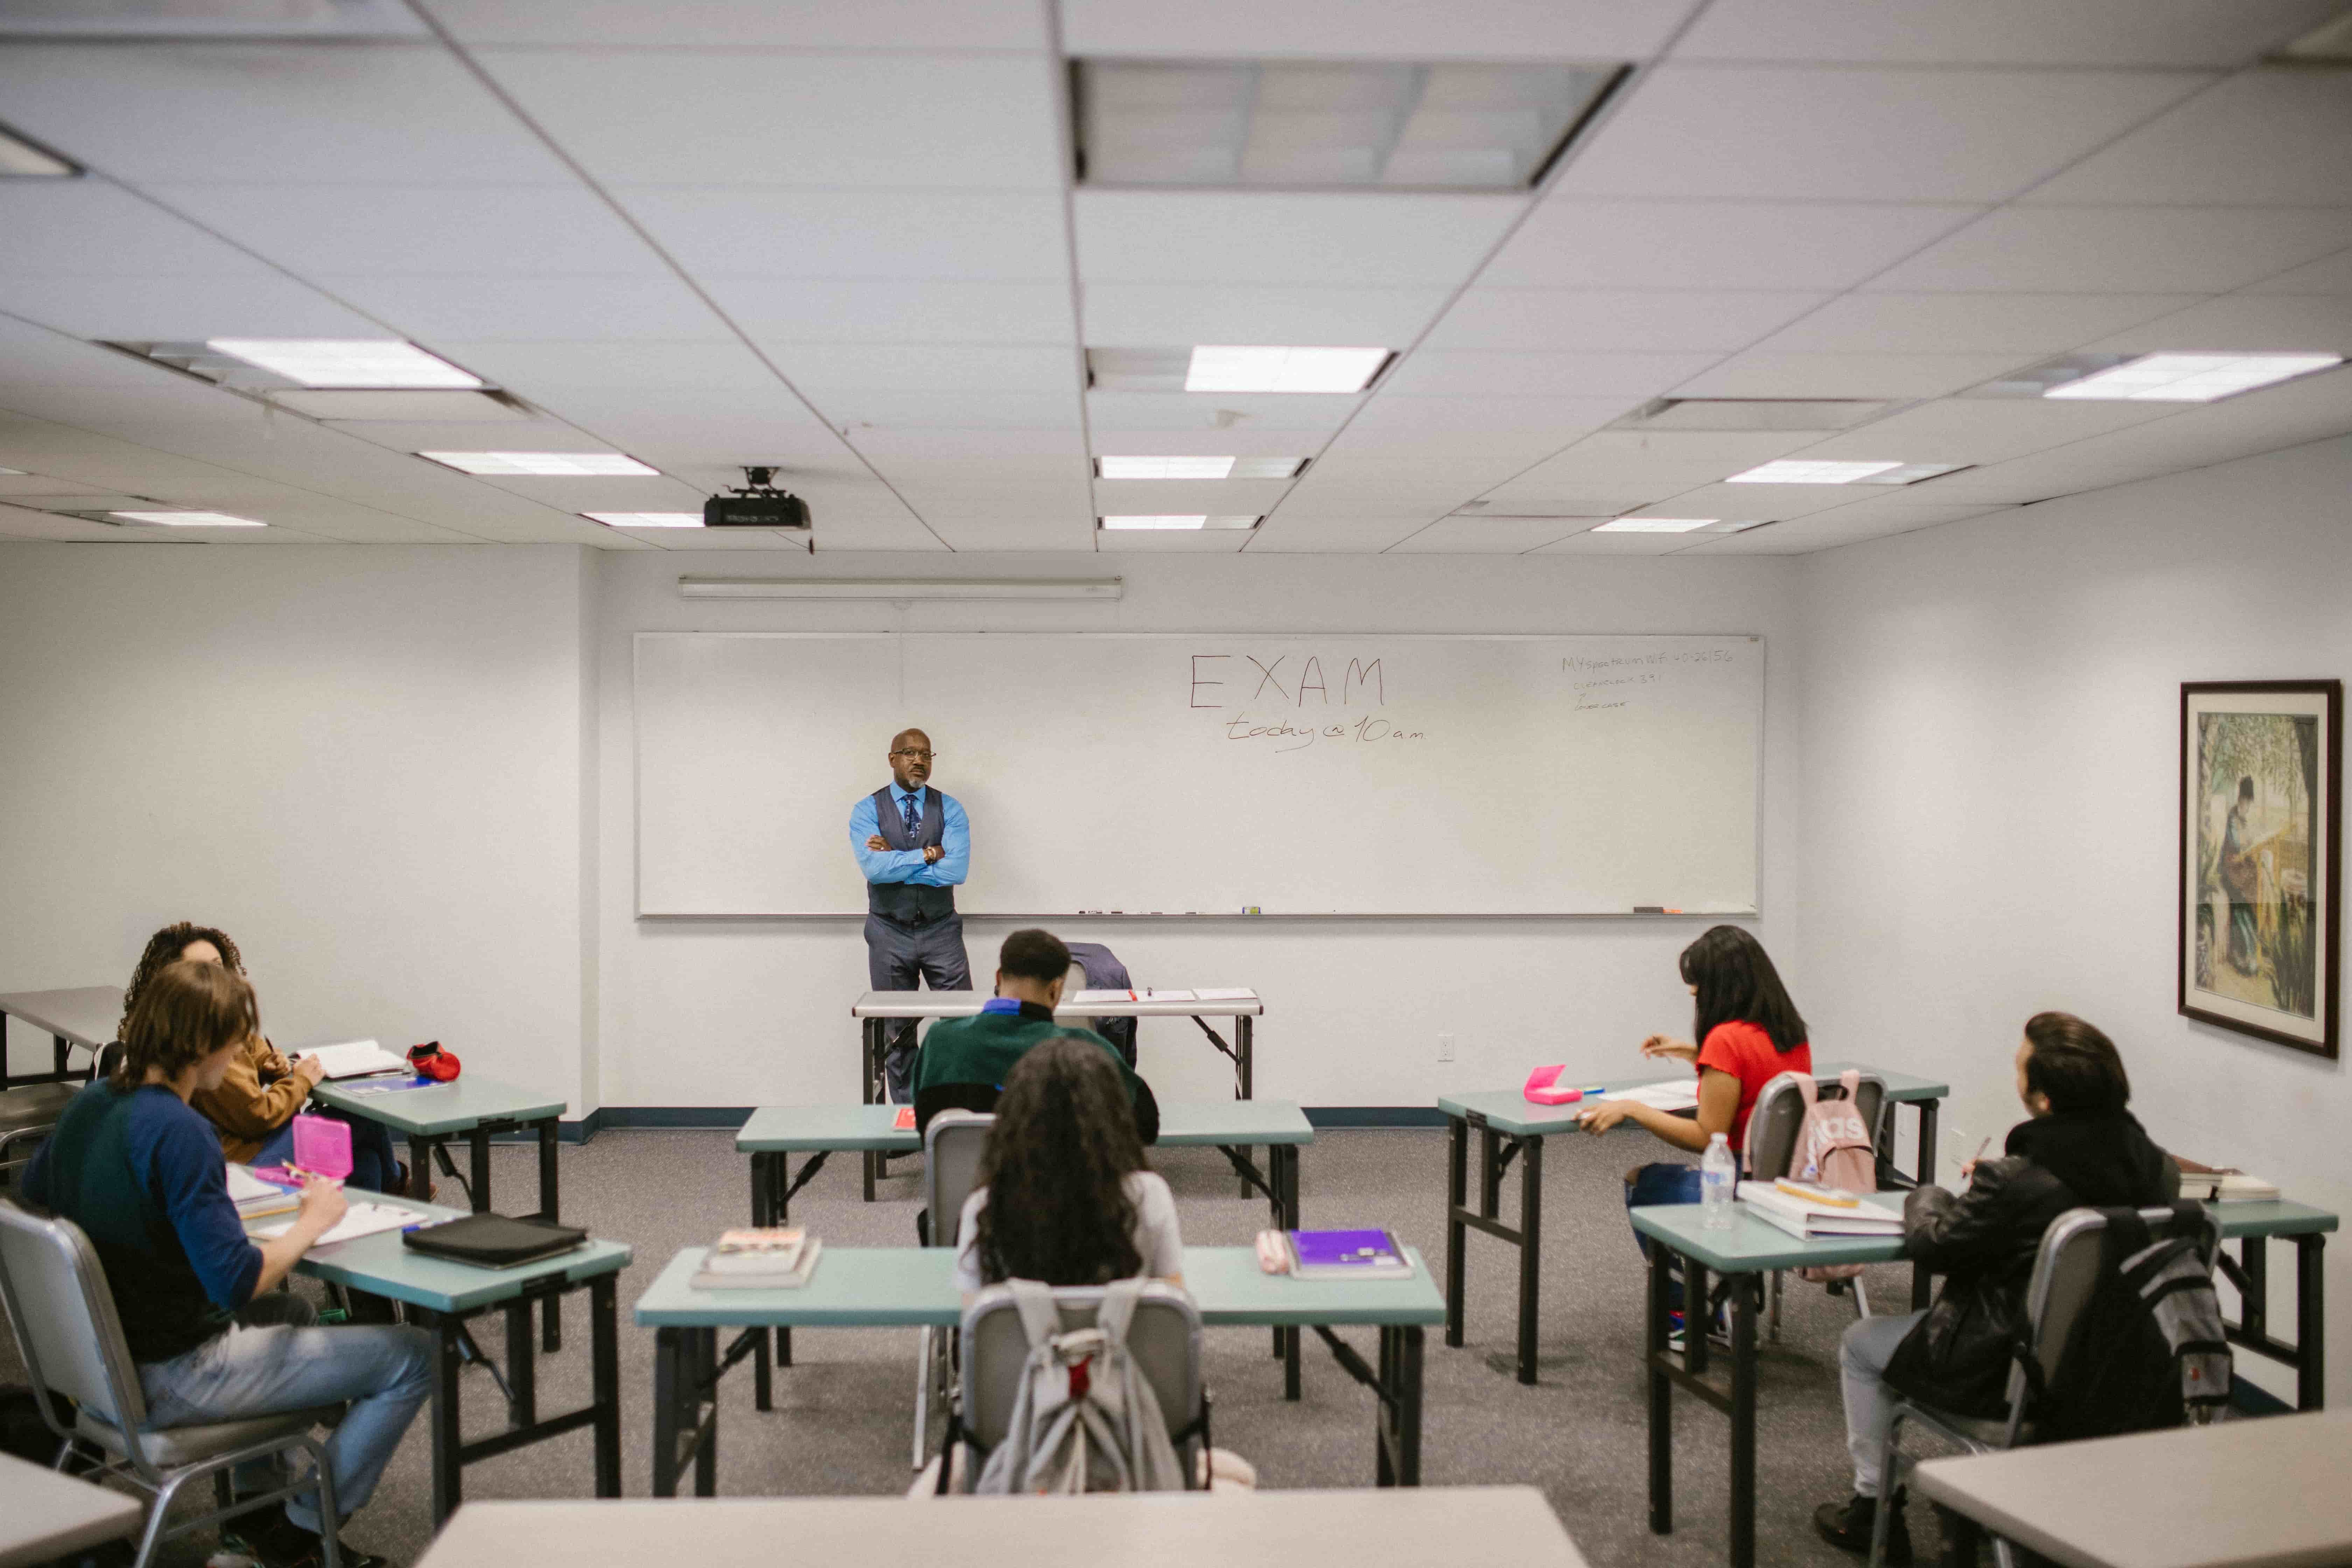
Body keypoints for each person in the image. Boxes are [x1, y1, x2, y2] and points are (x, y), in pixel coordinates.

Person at [23, 959, 432, 1568]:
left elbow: (36, 1197)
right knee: (413, 1355)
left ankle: (253, 1520)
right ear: (204, 1047)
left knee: (291, 1309)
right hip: (172, 1375)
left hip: (92, 1366)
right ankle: (301, 1537)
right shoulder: (182, 1131)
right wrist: (312, 1222)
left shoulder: (93, 1105)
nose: (240, 1051)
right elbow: (237, 1281)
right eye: (236, 1038)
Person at [1812, 1012, 2177, 1563]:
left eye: (2020, 1070)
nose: (2015, 1078)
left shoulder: (2015, 1181)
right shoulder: (2160, 1172)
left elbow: (1935, 1247)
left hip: (2006, 1375)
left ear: (2045, 1100)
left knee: (1861, 1345)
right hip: (2117, 1377)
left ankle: (1872, 1508)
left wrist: (1929, 1194)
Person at [121, 923, 403, 1195]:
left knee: (366, 1160)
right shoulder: (201, 1044)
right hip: (244, 1160)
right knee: (359, 1118)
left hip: (253, 1144)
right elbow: (259, 1116)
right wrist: (300, 1081)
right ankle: (399, 1185)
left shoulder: (205, 1025)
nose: (215, 977)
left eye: (218, 965)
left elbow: (250, 1046)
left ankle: (373, 1218)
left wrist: (269, 1063)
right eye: (203, 970)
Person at [1579, 923, 1813, 1205]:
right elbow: (1753, 1070)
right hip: (1790, 1178)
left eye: (1697, 991)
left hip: (1738, 1183)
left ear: (1719, 990)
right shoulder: (1790, 1031)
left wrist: (1632, 1108)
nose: (1696, 998)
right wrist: (1695, 1053)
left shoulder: (1725, 1039)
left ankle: (1681, 1251)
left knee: (1640, 1179)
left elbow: (1706, 1137)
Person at [952, 1036, 1182, 1294]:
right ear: (1114, 1118)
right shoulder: (1149, 1198)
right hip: (1125, 1335)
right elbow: (1173, 1311)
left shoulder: (985, 1208)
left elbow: (975, 1323)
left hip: (1019, 1337)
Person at [914, 928, 1159, 1143]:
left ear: (999, 978)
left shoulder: (941, 1041)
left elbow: (925, 1127)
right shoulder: (1086, 1049)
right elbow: (1147, 1126)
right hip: (1060, 1192)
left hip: (971, 1192)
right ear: (1056, 990)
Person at [849, 727, 972, 1102]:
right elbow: (875, 870)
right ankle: (905, 1119)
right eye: (909, 752)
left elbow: (957, 871)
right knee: (897, 1031)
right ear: (892, 759)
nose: (919, 760)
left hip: (941, 931)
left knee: (962, 1023)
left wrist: (895, 857)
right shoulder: (866, 810)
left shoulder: (950, 808)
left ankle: (959, 1110)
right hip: (889, 931)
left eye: (926, 754)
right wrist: (928, 853)